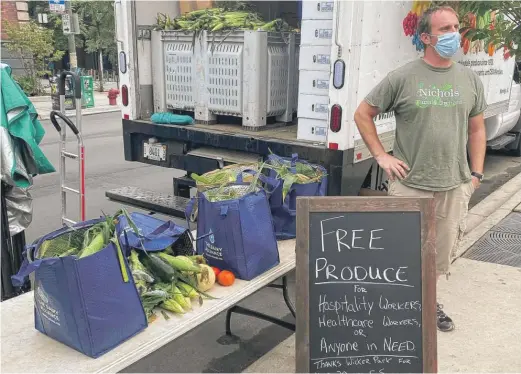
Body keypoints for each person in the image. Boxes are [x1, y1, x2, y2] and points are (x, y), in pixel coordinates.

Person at [354, 5, 487, 332]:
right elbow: (362, 114)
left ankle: (428, 304)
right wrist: (381, 156)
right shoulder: (402, 77)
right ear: (426, 37)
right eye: (445, 29)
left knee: (436, 259)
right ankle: (394, 308)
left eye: (456, 26)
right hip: (410, 183)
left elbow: (477, 130)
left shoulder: (469, 79)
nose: (454, 34)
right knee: (402, 253)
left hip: (453, 184)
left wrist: (476, 175)